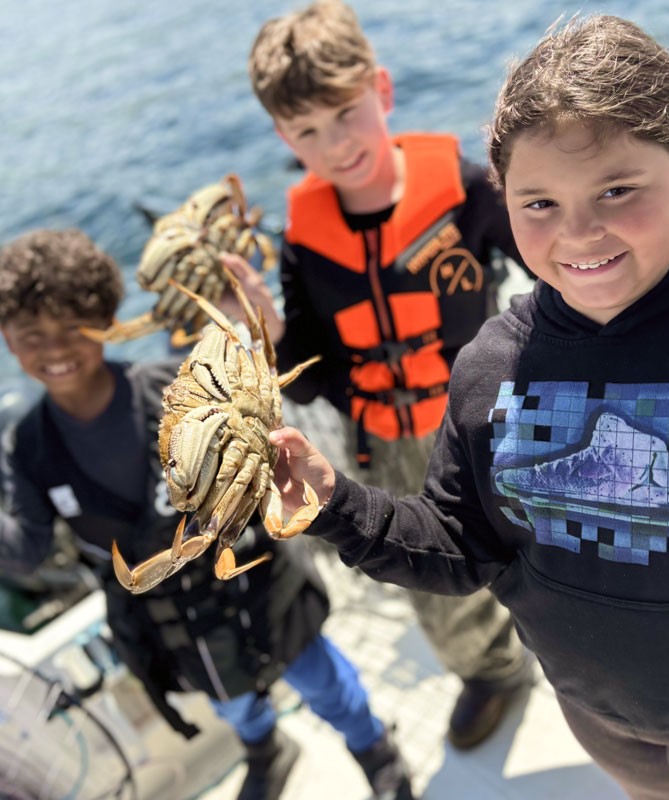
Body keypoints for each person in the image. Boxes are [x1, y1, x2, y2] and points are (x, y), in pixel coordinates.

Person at [263, 14, 669, 800]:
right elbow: (460, 544)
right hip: (596, 711)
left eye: (617, 189)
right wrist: (333, 504)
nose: (579, 231)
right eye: (539, 202)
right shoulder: (488, 371)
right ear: (503, 197)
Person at [0, 228, 415, 800]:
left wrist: (236, 315)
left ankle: (375, 751)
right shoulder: (28, 446)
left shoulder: (173, 383)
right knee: (234, 702)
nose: (56, 349)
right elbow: (24, 550)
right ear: (7, 339)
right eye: (31, 335)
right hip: (173, 621)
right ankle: (267, 750)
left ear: (107, 320)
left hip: (255, 583)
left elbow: (237, 363)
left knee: (320, 679)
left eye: (73, 327)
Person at [239, 0, 536, 751]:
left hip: (491, 410)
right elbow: (306, 379)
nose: (335, 145)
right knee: (435, 583)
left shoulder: (470, 190)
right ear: (282, 136)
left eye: (346, 113)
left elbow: (558, 268)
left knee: (543, 546)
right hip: (386, 441)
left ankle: (546, 638)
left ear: (382, 89)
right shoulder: (304, 241)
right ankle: (495, 669)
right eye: (306, 131)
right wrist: (269, 333)